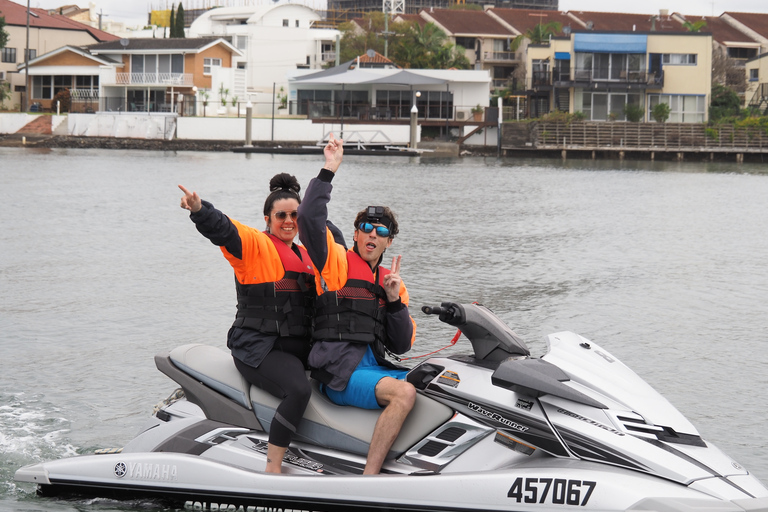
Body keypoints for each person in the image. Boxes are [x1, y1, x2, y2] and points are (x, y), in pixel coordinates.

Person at [178, 174, 315, 474]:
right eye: (281, 215)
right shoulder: (255, 246)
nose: (289, 221)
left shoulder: (307, 256)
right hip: (258, 347)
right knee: (299, 390)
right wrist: (200, 210)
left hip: (296, 346)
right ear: (268, 219)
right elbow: (225, 230)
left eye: (294, 215)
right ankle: (273, 468)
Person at [297, 135, 417, 475]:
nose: (372, 235)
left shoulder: (393, 283)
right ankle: (369, 478)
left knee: (438, 381)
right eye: (366, 228)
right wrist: (329, 168)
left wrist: (394, 302)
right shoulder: (334, 260)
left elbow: (402, 344)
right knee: (404, 394)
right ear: (355, 233)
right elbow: (308, 218)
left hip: (373, 367)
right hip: (339, 373)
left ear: (389, 241)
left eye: (380, 231)